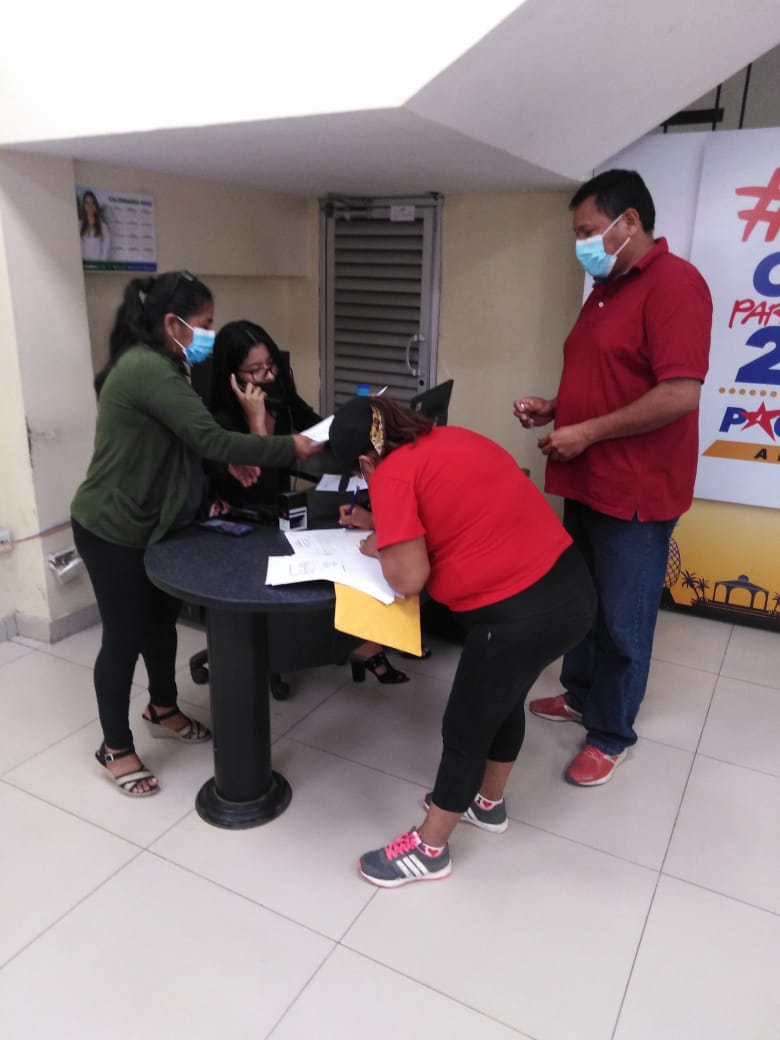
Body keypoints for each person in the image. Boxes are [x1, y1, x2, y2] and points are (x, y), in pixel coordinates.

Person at [328, 395, 596, 887]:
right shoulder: (450, 438)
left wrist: (380, 546)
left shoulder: (390, 474)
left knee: (465, 728)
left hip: (516, 615)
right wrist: (381, 521)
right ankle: (487, 804)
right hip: (569, 591)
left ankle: (430, 848)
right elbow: (447, 507)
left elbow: (408, 578)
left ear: (365, 461)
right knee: (504, 699)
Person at [71, 272, 320, 798]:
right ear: (173, 324)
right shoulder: (145, 369)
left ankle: (162, 708)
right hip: (112, 525)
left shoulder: (167, 365)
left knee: (161, 623)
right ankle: (114, 746)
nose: (209, 332)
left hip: (155, 521)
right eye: (204, 323)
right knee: (123, 638)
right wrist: (287, 447)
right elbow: (207, 436)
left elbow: (184, 441)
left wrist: (227, 469)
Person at [514, 168, 712, 787]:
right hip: (587, 479)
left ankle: (610, 732)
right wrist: (556, 408)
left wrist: (588, 432)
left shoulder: (676, 284)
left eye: (588, 231)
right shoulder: (606, 289)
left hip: (636, 491)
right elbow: (609, 378)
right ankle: (580, 695)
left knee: (625, 619)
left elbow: (679, 393)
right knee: (584, 601)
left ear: (629, 222)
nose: (582, 244)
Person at [207, 319, 410, 688]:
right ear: (233, 377)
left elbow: (318, 426)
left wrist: (341, 432)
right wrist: (257, 425)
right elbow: (255, 483)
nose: (269, 375)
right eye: (256, 370)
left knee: (351, 537)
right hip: (246, 523)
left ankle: (362, 639)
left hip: (284, 509)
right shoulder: (220, 420)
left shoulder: (279, 394)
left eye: (271, 364)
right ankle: (278, 654)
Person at [79, 189, 111, 262]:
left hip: (99, 266)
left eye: (93, 203)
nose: (90, 206)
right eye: (87, 203)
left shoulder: (103, 226)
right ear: (83, 206)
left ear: (96, 205)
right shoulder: (79, 225)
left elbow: (106, 249)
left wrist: (100, 265)